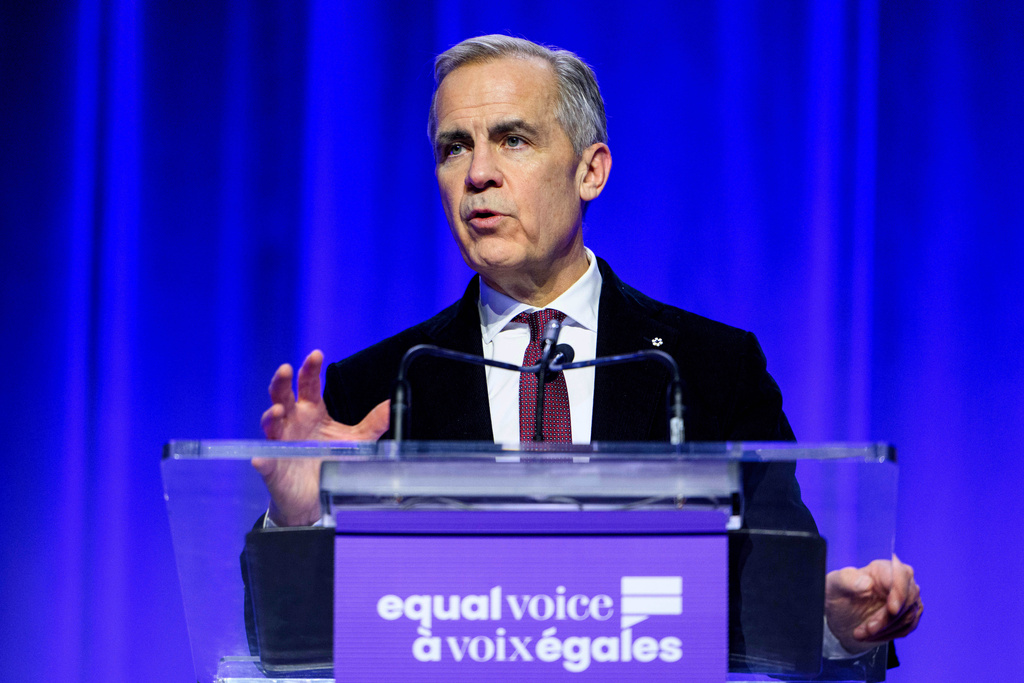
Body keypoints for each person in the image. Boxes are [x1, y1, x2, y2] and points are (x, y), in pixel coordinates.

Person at [253, 34, 921, 659]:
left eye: (513, 140)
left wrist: (829, 622)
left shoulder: (713, 367)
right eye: (454, 148)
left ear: (590, 171)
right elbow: (292, 646)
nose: (478, 173)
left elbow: (772, 585)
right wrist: (298, 519)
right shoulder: (375, 388)